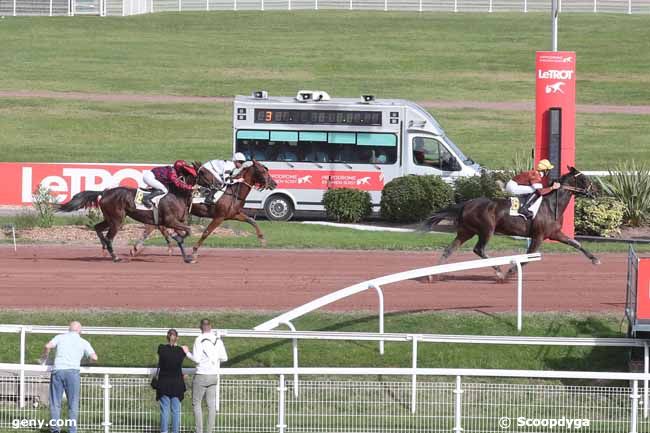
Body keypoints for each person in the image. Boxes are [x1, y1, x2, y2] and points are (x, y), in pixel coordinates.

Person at [40, 321, 98, 433]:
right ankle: (72, 430)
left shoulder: (60, 337)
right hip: (73, 373)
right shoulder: (83, 342)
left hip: (58, 371)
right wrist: (87, 360)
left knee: (55, 403)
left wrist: (45, 357)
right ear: (80, 330)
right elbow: (94, 358)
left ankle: (55, 429)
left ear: (69, 329)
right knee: (73, 403)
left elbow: (47, 346)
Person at [183, 319, 228, 433]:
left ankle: (199, 431)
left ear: (201, 328)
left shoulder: (199, 339)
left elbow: (197, 359)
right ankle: (209, 431)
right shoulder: (218, 340)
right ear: (211, 327)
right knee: (211, 406)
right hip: (213, 375)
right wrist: (214, 360)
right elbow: (224, 358)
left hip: (201, 375)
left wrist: (187, 353)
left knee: (196, 403)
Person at [156, 329, 186, 433]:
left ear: (167, 337)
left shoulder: (161, 348)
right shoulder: (181, 351)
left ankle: (164, 431)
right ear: (177, 338)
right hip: (177, 384)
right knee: (176, 411)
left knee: (164, 410)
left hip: (164, 383)